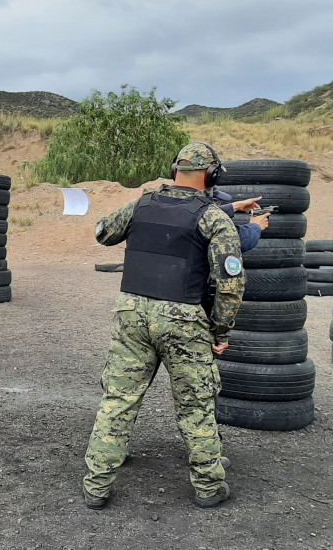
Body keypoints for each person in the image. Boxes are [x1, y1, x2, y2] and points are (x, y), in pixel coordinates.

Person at [82, 141, 244, 510]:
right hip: (184, 319)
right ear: (211, 174)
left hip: (131, 314)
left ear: (175, 170)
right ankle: (207, 485)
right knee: (196, 404)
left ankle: (97, 484)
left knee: (119, 400)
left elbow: (102, 232)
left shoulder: (142, 205)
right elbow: (231, 284)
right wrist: (220, 332)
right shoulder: (215, 218)